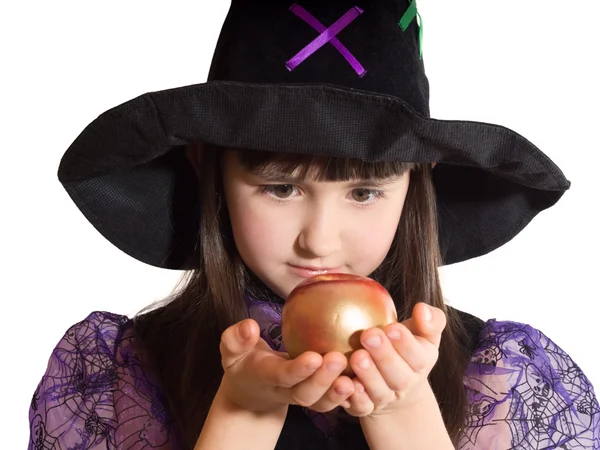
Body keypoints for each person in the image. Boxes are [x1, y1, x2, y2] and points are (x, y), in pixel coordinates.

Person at [28, 1, 599, 449]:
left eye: (365, 191)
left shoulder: (505, 382)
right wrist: (242, 414)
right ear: (209, 168)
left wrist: (404, 414)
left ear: (417, 180)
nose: (319, 240)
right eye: (280, 188)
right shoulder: (110, 377)